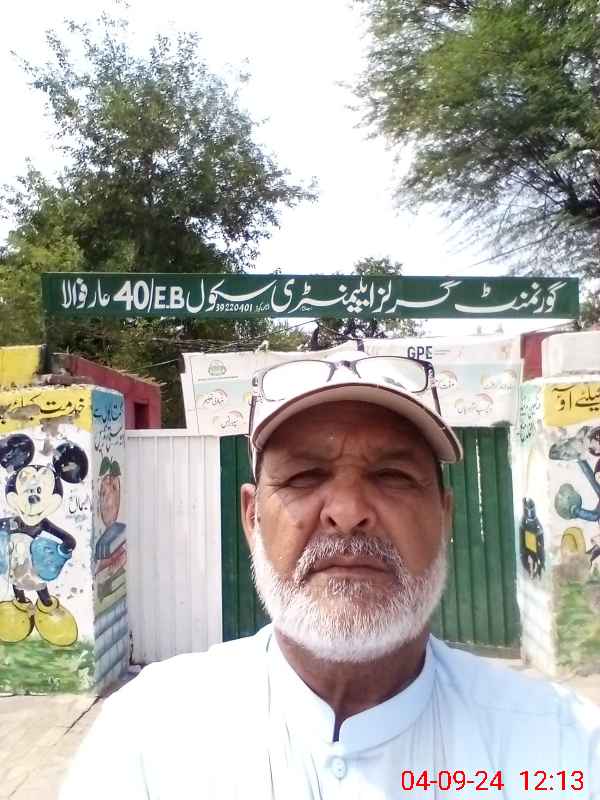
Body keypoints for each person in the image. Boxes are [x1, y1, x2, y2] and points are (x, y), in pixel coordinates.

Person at [60, 354, 599, 799]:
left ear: (444, 516)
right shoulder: (148, 736)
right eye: (303, 476)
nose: (347, 511)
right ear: (251, 519)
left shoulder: (561, 749)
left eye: (392, 475)